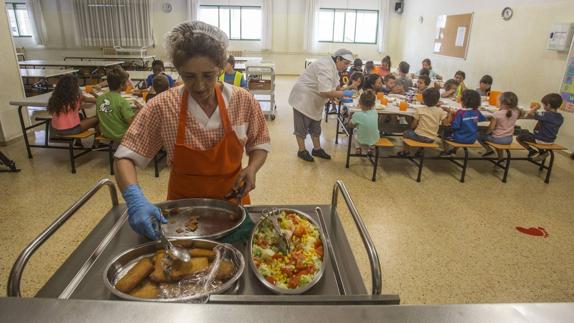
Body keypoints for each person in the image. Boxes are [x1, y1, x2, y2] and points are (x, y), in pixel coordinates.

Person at [114, 21, 271, 240]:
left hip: (233, 207)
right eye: (189, 76)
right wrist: (134, 198)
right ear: (177, 71)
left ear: (221, 67)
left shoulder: (242, 100)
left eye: (208, 75)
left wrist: (252, 168)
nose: (199, 86)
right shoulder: (163, 106)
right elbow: (125, 156)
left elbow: (259, 143)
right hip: (181, 214)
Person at [289, 49, 354, 162]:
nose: (347, 67)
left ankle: (317, 149)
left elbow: (336, 84)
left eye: (348, 64)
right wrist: (343, 94)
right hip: (303, 98)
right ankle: (302, 150)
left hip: (315, 100)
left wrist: (341, 95)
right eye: (346, 63)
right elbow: (324, 92)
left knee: (316, 125)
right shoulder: (325, 66)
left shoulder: (334, 67)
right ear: (338, 59)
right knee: (301, 127)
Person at [399, 88, 449, 156]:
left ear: (423, 100)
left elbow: (413, 125)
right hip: (432, 138)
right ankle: (419, 150)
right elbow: (446, 123)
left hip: (419, 136)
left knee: (406, 133)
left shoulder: (419, 110)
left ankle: (405, 151)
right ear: (438, 100)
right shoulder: (440, 111)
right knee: (421, 133)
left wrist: (411, 128)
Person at [96, 67, 140, 140]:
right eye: (127, 82)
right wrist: (140, 110)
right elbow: (132, 122)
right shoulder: (122, 101)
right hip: (121, 134)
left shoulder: (99, 99)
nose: (128, 83)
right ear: (121, 85)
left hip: (105, 133)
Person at [517, 93, 564, 161]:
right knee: (525, 131)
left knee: (519, 136)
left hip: (540, 140)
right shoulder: (560, 117)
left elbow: (530, 113)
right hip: (550, 140)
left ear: (548, 105)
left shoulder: (546, 114)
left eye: (544, 104)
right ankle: (542, 152)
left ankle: (531, 150)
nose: (543, 106)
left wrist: (536, 107)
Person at [441, 90, 486, 156]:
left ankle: (446, 152)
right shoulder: (476, 111)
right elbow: (482, 119)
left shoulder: (460, 112)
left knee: (445, 132)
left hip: (459, 138)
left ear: (463, 100)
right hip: (472, 139)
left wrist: (451, 114)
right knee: (463, 130)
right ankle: (454, 150)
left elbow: (455, 126)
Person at [478, 91, 521, 159]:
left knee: (478, 134)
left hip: (497, 139)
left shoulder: (497, 114)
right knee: (497, 134)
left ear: (502, 102)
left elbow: (491, 129)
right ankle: (500, 157)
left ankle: (489, 150)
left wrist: (486, 134)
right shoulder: (516, 112)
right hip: (509, 139)